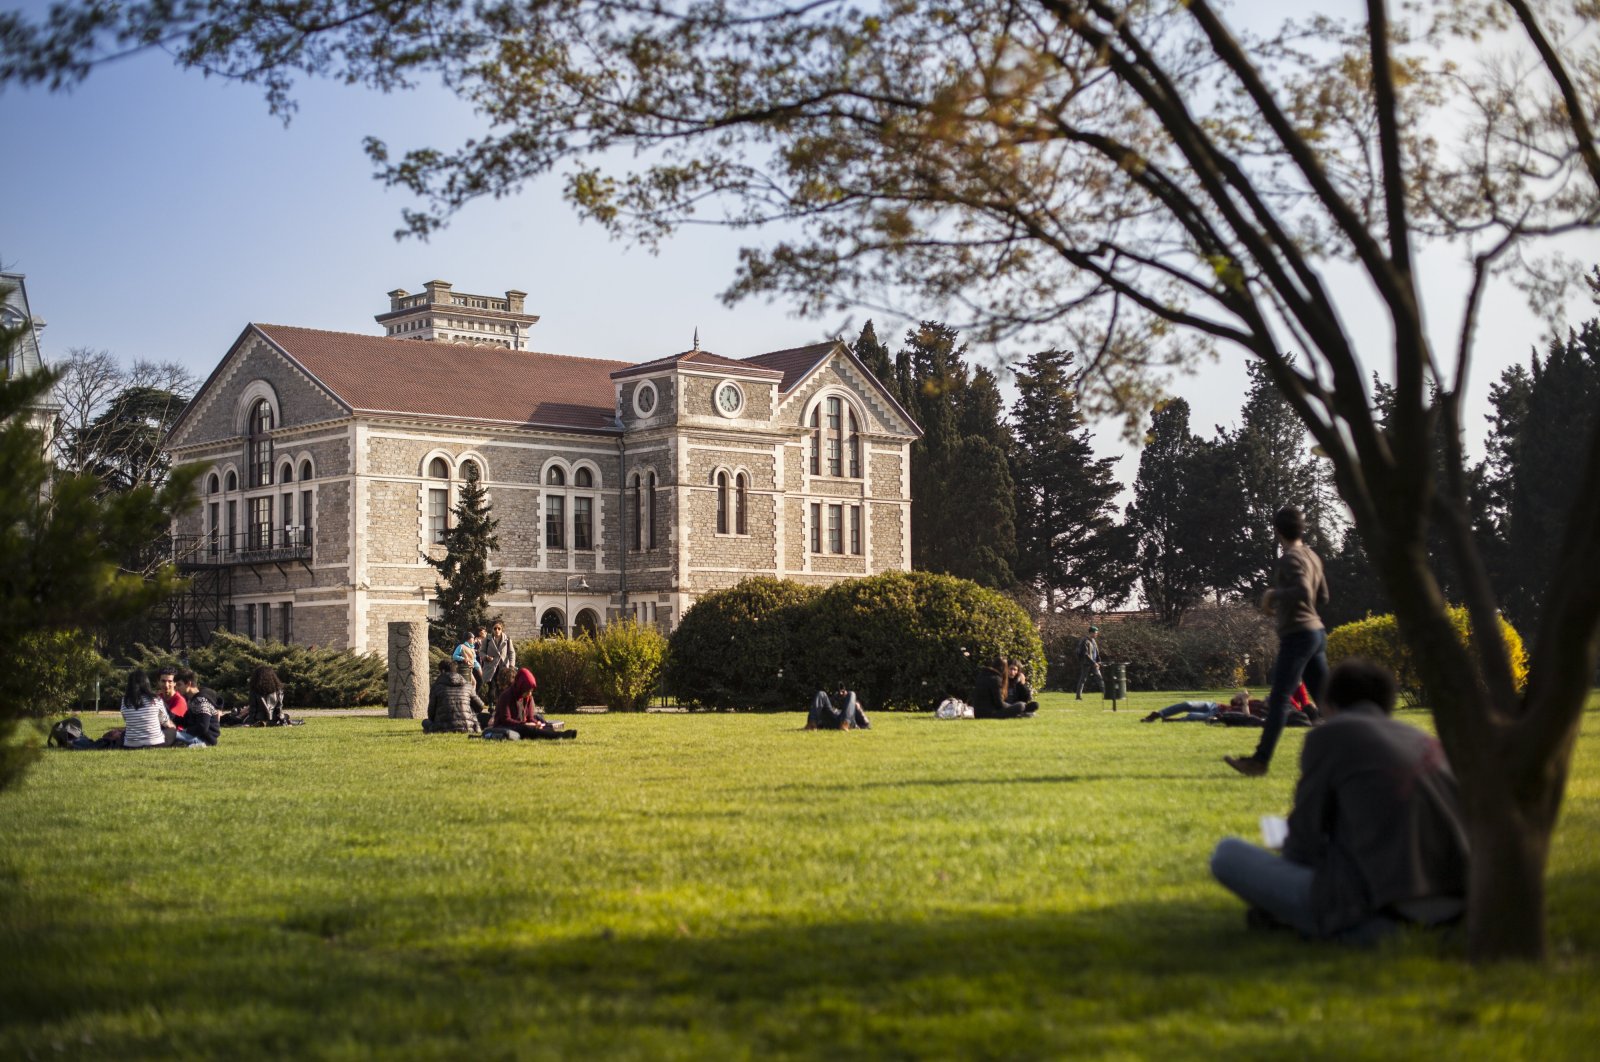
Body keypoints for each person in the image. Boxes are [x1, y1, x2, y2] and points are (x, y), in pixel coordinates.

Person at [1209, 658, 1469, 943]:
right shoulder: (1422, 739)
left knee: (1227, 853)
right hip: (1459, 911)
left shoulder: (1331, 735)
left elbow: (1302, 842)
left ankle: (1314, 923)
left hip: (1386, 915)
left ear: (1329, 703)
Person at [1226, 506, 1330, 777]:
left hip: (1298, 634)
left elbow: (1304, 591)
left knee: (1280, 698)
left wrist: (1274, 595)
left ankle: (1259, 761)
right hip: (1317, 633)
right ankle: (1358, 755)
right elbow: (1322, 597)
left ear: (1277, 531)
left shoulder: (1290, 558)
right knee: (1328, 703)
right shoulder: (1312, 556)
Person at [490, 666, 576, 739]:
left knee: (541, 725)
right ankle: (559, 735)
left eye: (531, 691)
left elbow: (530, 717)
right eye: (527, 691)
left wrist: (536, 723)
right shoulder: (506, 696)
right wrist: (526, 724)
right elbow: (506, 720)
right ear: (521, 687)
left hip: (522, 725)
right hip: (505, 726)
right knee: (525, 728)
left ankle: (562, 734)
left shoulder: (528, 697)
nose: (529, 694)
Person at [424, 659, 484, 734]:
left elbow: (431, 713)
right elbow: (480, 706)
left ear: (442, 671)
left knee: (425, 722)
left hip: (442, 727)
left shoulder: (436, 687)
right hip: (467, 726)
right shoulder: (467, 686)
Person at [120, 669, 176, 749]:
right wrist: (172, 726)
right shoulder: (156, 699)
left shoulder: (124, 701)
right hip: (155, 743)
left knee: (123, 734)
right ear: (146, 683)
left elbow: (126, 719)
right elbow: (165, 722)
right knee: (172, 731)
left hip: (131, 744)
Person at [971, 656, 1036, 719]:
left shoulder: (983, 675)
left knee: (1025, 705)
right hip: (990, 713)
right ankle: (1021, 713)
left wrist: (1022, 684)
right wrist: (1012, 707)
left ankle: (1021, 712)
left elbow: (1026, 697)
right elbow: (999, 703)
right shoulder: (996, 679)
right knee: (1021, 705)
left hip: (978, 713)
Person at [156, 667, 206, 746]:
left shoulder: (179, 700)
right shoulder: (157, 698)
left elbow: (169, 721)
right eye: (163, 681)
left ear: (174, 683)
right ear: (158, 682)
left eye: (170, 681)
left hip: (175, 734)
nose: (166, 685)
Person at [1142, 690, 1254, 724]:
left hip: (1218, 715)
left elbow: (1247, 717)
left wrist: (1245, 702)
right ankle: (1157, 715)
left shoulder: (1258, 710)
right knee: (1187, 704)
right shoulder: (1256, 702)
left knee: (1192, 715)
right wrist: (1239, 696)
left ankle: (1172, 721)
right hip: (1216, 706)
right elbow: (1233, 703)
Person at [175, 668, 223, 746]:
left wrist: (184, 731)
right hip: (198, 736)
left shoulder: (201, 700)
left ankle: (197, 745)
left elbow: (202, 727)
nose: (176, 688)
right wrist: (168, 716)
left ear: (188, 684)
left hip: (204, 739)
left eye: (179, 685)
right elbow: (186, 721)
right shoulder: (192, 698)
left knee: (169, 735)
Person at [480, 620, 516, 698]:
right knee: (492, 686)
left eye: (499, 628)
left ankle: (500, 705)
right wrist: (486, 657)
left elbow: (511, 653)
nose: (497, 630)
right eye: (495, 628)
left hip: (503, 667)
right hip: (491, 666)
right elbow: (481, 652)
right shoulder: (487, 639)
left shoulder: (507, 639)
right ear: (492, 629)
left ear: (502, 629)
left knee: (502, 687)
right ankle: (491, 705)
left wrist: (511, 665)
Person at [1075, 625, 1102, 700]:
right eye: (1095, 633)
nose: (1097, 634)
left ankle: (1106, 695)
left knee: (1100, 678)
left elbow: (1096, 653)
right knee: (1083, 679)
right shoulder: (1085, 641)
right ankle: (1078, 696)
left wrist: (1098, 662)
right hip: (1086, 663)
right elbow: (1085, 654)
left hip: (1094, 664)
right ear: (1091, 633)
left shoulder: (1093, 641)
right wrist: (1094, 663)